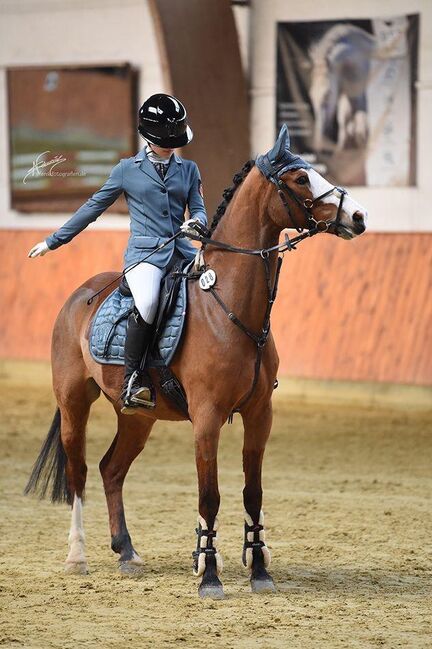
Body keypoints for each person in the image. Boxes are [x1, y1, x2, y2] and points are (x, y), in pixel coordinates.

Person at [28, 93, 208, 414]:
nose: (171, 146)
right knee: (149, 302)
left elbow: (198, 208)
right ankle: (134, 378)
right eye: (166, 140)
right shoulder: (127, 170)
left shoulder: (189, 169)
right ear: (149, 137)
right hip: (145, 257)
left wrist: (196, 222)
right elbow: (93, 207)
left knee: (214, 288)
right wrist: (55, 240)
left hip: (182, 249)